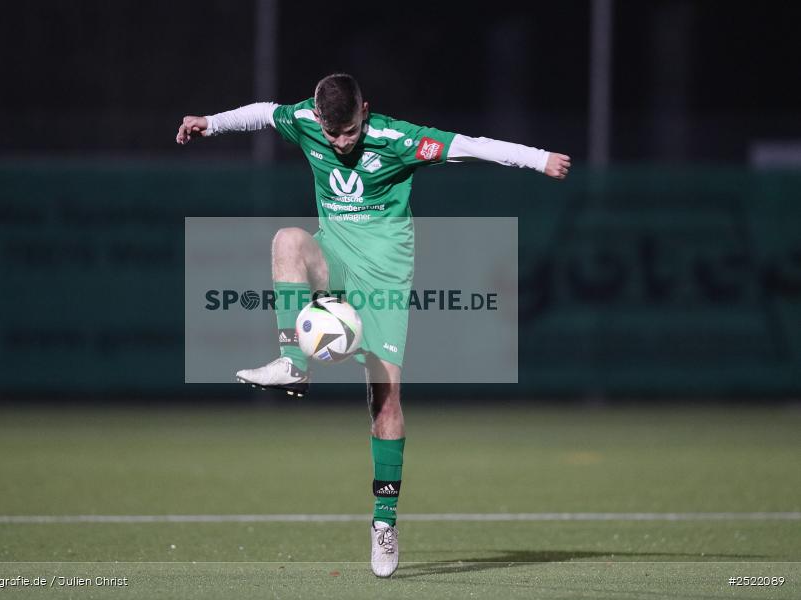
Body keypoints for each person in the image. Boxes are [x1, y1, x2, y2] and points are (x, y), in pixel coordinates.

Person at [176, 73, 570, 577]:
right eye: (333, 133)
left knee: (385, 401)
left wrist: (537, 159)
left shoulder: (396, 139)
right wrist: (211, 122)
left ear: (367, 110)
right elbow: (263, 111)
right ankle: (295, 363)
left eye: (351, 131)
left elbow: (470, 146)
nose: (341, 143)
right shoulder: (304, 121)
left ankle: (384, 521)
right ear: (318, 118)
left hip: (384, 280)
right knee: (288, 241)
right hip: (335, 257)